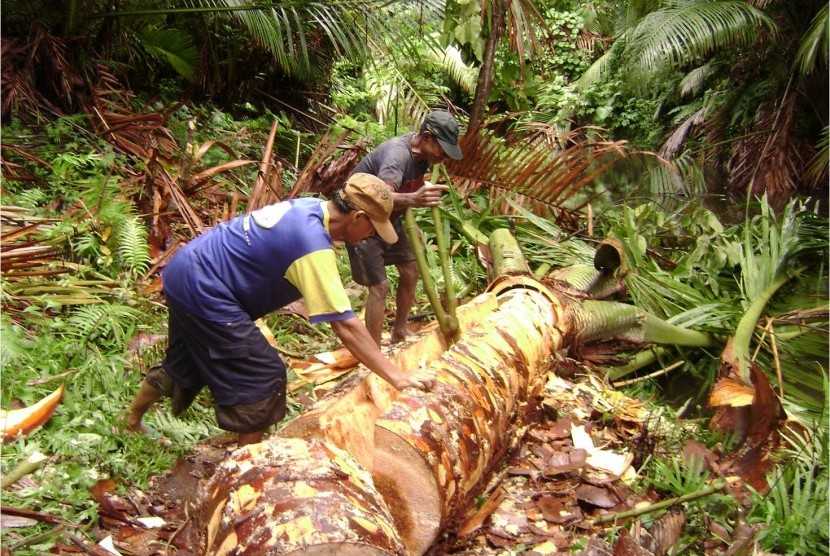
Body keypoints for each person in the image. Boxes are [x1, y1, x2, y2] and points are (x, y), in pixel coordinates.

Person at [126, 173, 432, 446]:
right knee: (263, 375)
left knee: (187, 357)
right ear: (357, 217)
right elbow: (346, 325)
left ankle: (130, 423)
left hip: (186, 269)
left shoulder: (310, 207)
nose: (372, 236)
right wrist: (397, 376)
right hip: (206, 288)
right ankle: (244, 463)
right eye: (373, 228)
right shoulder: (311, 245)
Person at [346, 110, 463, 346]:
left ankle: (399, 332)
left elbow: (402, 192)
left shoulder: (422, 158)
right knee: (379, 286)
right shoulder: (397, 156)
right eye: (442, 149)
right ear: (427, 137)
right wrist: (412, 200)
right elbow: (379, 198)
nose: (444, 156)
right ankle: (373, 351)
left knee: (410, 271)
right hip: (361, 220)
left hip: (388, 220)